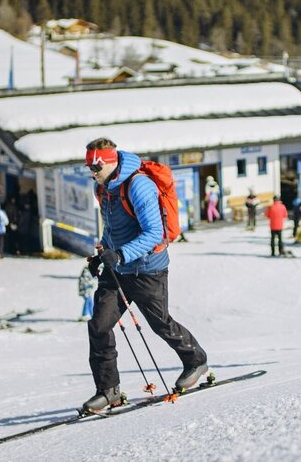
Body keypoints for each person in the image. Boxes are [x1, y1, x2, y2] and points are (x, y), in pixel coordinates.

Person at [81, 137, 208, 414]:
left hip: (148, 268)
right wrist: (104, 254)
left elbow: (154, 233)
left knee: (160, 324)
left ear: (111, 162)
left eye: (96, 166)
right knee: (99, 326)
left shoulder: (138, 186)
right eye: (88, 165)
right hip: (119, 269)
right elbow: (112, 228)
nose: (92, 171)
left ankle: (196, 361)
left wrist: (121, 254)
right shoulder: (103, 188)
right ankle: (108, 390)